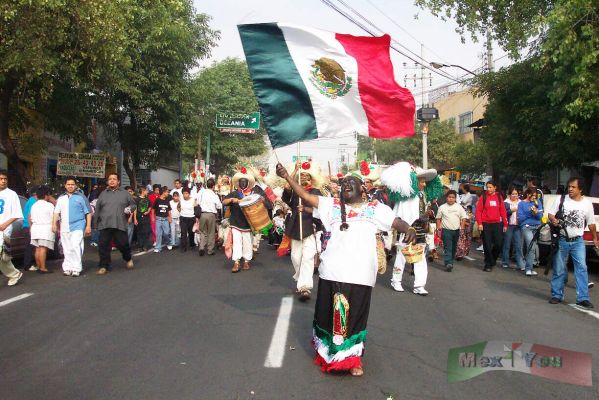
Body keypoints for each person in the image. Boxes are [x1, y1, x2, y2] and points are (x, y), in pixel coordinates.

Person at [276, 163, 415, 376]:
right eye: (343, 183)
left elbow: (396, 221)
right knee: (328, 315)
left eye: (352, 182)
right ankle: (328, 353)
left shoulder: (376, 208)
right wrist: (287, 176)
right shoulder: (331, 205)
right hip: (332, 271)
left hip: (361, 274)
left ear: (363, 188)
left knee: (355, 318)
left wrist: (409, 228)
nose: (346, 185)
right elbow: (303, 194)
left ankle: (352, 358)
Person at [382, 162, 444, 295]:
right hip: (408, 230)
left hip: (420, 230)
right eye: (421, 181)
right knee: (402, 255)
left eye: (424, 181)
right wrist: (417, 219)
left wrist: (426, 217)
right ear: (415, 182)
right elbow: (402, 215)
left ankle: (419, 285)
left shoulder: (423, 195)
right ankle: (396, 281)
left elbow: (423, 212)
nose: (424, 184)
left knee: (420, 257)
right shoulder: (406, 198)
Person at [548, 177, 598, 309]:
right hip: (562, 239)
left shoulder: (586, 204)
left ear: (580, 189)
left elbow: (591, 222)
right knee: (559, 268)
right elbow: (550, 214)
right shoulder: (561, 200)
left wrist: (594, 238)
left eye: (573, 187)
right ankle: (556, 295)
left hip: (578, 241)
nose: (570, 189)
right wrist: (554, 220)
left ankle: (583, 298)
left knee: (581, 268)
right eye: (569, 186)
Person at [282, 162, 323, 300]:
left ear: (311, 179)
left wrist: (305, 209)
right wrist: (294, 171)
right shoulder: (294, 191)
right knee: (295, 257)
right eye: (302, 175)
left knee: (308, 257)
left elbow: (320, 210)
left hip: (310, 227)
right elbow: (287, 186)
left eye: (306, 175)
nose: (304, 177)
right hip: (295, 227)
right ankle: (301, 278)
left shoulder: (315, 192)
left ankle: (305, 287)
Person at [93, 173, 137, 274]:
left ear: (118, 181)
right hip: (104, 224)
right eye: (110, 179)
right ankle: (104, 266)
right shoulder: (103, 194)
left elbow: (133, 205)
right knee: (103, 246)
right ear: (108, 181)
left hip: (119, 224)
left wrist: (129, 209)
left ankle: (128, 258)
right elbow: (97, 210)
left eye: (114, 179)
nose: (112, 181)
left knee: (123, 244)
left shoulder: (125, 193)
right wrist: (95, 225)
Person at [222, 167, 263, 272]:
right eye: (241, 182)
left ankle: (246, 262)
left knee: (247, 242)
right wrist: (232, 199)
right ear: (238, 183)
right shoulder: (235, 193)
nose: (243, 184)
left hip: (248, 223)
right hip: (235, 222)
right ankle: (236, 262)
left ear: (248, 183)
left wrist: (260, 200)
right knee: (236, 242)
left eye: (245, 182)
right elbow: (224, 201)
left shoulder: (253, 194)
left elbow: (261, 203)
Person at [53, 177, 92, 277]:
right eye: (68, 184)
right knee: (66, 248)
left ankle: (76, 268)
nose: (70, 186)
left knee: (75, 245)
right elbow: (56, 212)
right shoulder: (61, 198)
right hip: (64, 227)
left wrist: (88, 226)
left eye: (72, 184)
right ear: (65, 185)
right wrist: (54, 224)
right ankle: (67, 267)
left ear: (75, 186)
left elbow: (88, 213)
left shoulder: (81, 197)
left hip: (78, 225)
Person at [475, 181, 508, 272]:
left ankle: (492, 259)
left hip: (497, 223)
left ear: (495, 187)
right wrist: (480, 223)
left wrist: (505, 224)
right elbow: (478, 211)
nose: (488, 189)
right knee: (487, 245)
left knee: (498, 244)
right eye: (487, 187)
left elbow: (503, 211)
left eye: (490, 187)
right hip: (486, 224)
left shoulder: (499, 197)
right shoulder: (483, 197)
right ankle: (488, 264)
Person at [0, 170, 24, 286]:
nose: (3, 181)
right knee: (2, 257)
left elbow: (17, 213)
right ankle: (14, 274)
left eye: (5, 179)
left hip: (5, 229)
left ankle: (14, 274)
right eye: (1, 179)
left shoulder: (11, 194)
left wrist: (5, 224)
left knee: (2, 254)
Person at [435, 190, 467, 271]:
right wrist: (438, 228)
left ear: (455, 198)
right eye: (449, 197)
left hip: (456, 230)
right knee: (448, 247)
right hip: (446, 230)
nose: (451, 199)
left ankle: (450, 261)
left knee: (453, 247)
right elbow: (438, 218)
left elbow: (463, 217)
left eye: (453, 197)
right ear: (447, 198)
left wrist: (462, 228)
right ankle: (449, 262)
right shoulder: (442, 207)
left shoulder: (458, 207)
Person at [29, 186, 55, 274]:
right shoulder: (49, 205)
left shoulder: (34, 205)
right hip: (45, 228)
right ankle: (43, 268)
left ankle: (39, 266)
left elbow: (30, 218)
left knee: (37, 248)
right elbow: (54, 218)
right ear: (46, 195)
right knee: (43, 248)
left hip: (35, 228)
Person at [518, 188, 543, 276]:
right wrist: (530, 212)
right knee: (531, 246)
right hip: (526, 227)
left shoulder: (537, 202)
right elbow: (520, 218)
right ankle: (528, 268)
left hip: (537, 227)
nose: (533, 198)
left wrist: (536, 213)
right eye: (532, 196)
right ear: (527, 194)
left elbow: (540, 216)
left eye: (535, 196)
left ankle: (531, 268)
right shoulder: (521, 203)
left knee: (534, 247)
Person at [196, 178, 222, 256]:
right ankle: (210, 250)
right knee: (211, 232)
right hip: (211, 214)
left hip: (202, 214)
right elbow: (219, 206)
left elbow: (198, 202)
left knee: (203, 231)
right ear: (213, 186)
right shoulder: (214, 194)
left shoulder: (202, 192)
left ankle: (201, 247)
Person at [502, 186, 525, 270]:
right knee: (507, 244)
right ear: (509, 195)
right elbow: (503, 213)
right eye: (513, 194)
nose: (515, 196)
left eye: (516, 194)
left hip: (518, 226)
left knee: (519, 245)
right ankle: (505, 262)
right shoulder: (506, 202)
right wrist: (511, 211)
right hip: (509, 225)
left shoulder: (521, 202)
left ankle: (521, 264)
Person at [22, 187, 38, 271]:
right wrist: (31, 228)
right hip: (28, 226)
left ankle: (30, 264)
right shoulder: (33, 201)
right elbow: (30, 215)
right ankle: (27, 265)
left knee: (31, 246)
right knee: (29, 247)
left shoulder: (31, 200)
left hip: (27, 226)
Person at [152, 187, 172, 252]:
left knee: (166, 233)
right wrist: (152, 217)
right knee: (158, 234)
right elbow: (153, 209)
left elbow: (169, 210)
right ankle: (158, 247)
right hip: (158, 219)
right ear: (163, 192)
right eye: (167, 192)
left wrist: (170, 217)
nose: (168, 193)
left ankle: (168, 243)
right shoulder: (157, 200)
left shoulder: (167, 201)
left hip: (166, 219)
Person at [178, 187, 197, 252]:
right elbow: (178, 207)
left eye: (187, 193)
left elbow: (196, 209)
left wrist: (196, 218)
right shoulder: (181, 199)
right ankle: (183, 247)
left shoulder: (193, 200)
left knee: (191, 232)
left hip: (191, 218)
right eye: (184, 193)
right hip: (183, 218)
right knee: (183, 232)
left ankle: (192, 244)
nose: (185, 195)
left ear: (189, 194)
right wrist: (180, 211)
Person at [134, 187, 152, 251]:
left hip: (146, 218)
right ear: (143, 191)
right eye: (146, 190)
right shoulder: (137, 199)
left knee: (147, 231)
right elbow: (135, 209)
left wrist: (148, 211)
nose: (147, 192)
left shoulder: (147, 199)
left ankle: (145, 245)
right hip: (139, 217)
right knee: (139, 232)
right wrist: (135, 219)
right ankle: (140, 246)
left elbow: (150, 206)